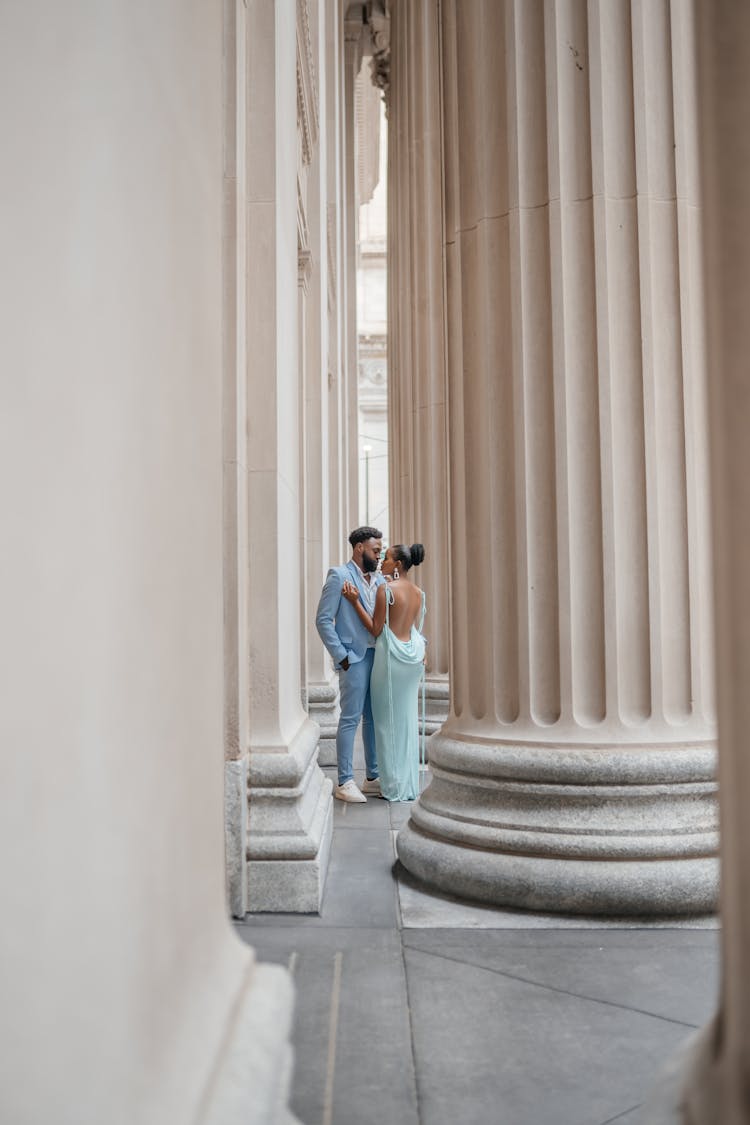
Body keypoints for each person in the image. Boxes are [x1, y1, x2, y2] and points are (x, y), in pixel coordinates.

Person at [342, 543, 426, 802]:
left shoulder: (385, 589)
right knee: (406, 720)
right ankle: (407, 783)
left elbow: (376, 629)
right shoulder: (419, 593)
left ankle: (392, 786)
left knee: (385, 722)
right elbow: (413, 627)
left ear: (398, 565)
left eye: (387, 558)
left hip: (389, 659)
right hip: (411, 660)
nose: (382, 562)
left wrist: (355, 602)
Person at [315, 527, 385, 802]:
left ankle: (372, 776)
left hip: (376, 656)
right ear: (359, 548)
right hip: (353, 659)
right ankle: (344, 781)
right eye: (375, 550)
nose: (378, 555)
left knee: (372, 717)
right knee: (350, 718)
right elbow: (323, 620)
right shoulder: (339, 576)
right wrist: (341, 656)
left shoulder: (378, 580)